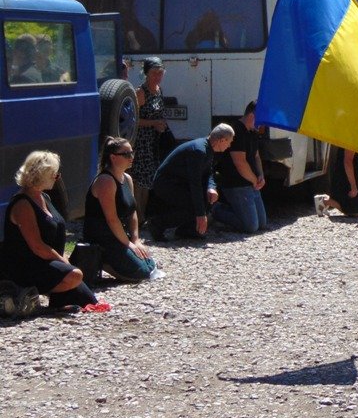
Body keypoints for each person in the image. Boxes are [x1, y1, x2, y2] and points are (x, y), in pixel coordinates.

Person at [0, 151, 98, 311]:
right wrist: (62, 260)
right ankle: (32, 297)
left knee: (89, 302)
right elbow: (37, 246)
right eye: (55, 174)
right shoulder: (23, 204)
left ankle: (57, 300)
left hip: (47, 260)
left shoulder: (44, 197)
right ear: (43, 175)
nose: (57, 177)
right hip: (28, 264)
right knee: (75, 275)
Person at [83, 137, 157, 281]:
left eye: (132, 152)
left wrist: (135, 239)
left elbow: (132, 212)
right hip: (104, 237)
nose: (131, 157)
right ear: (113, 157)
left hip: (120, 234)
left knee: (150, 264)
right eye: (126, 154)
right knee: (140, 272)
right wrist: (128, 243)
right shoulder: (106, 181)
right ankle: (103, 261)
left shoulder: (127, 179)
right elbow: (112, 219)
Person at [147, 124, 234, 241]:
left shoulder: (208, 149)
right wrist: (200, 215)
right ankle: (157, 224)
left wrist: (211, 188)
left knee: (207, 198)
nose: (229, 146)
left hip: (180, 182)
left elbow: (209, 172)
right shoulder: (199, 150)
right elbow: (195, 183)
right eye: (229, 142)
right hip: (166, 184)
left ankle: (187, 230)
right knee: (194, 206)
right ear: (222, 140)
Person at [211, 102, 267, 234]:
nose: (262, 125)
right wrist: (254, 181)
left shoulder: (252, 131)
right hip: (236, 183)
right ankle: (215, 210)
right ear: (252, 116)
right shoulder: (237, 131)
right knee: (251, 227)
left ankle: (238, 211)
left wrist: (261, 175)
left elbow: (256, 156)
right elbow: (240, 162)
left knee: (262, 223)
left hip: (250, 182)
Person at [133, 56, 168, 221]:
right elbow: (134, 120)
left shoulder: (159, 90)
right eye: (154, 73)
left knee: (148, 180)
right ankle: (137, 215)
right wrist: (153, 123)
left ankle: (143, 214)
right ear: (147, 73)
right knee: (139, 180)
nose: (158, 76)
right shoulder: (141, 92)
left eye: (160, 73)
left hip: (154, 141)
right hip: (142, 141)